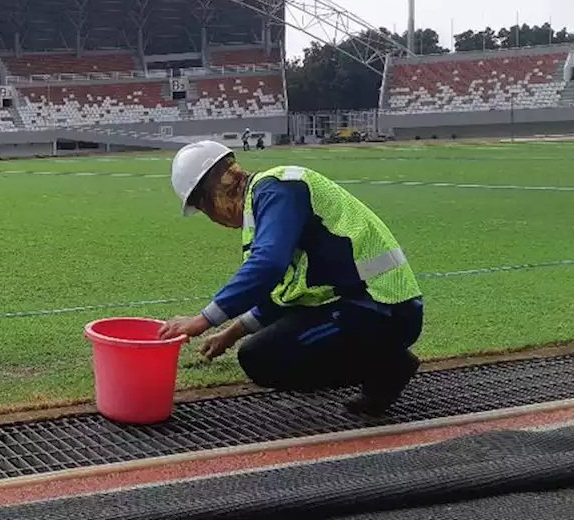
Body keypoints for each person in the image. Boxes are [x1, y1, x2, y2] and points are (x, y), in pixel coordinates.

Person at [159, 140, 424, 415]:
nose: (212, 218)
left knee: (264, 359)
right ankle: (385, 361)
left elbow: (267, 265)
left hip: (383, 307)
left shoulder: (277, 190)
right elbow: (285, 293)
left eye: (203, 207)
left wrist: (202, 320)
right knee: (257, 353)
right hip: (366, 304)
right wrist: (231, 334)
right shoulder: (266, 200)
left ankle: (389, 366)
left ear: (213, 192)